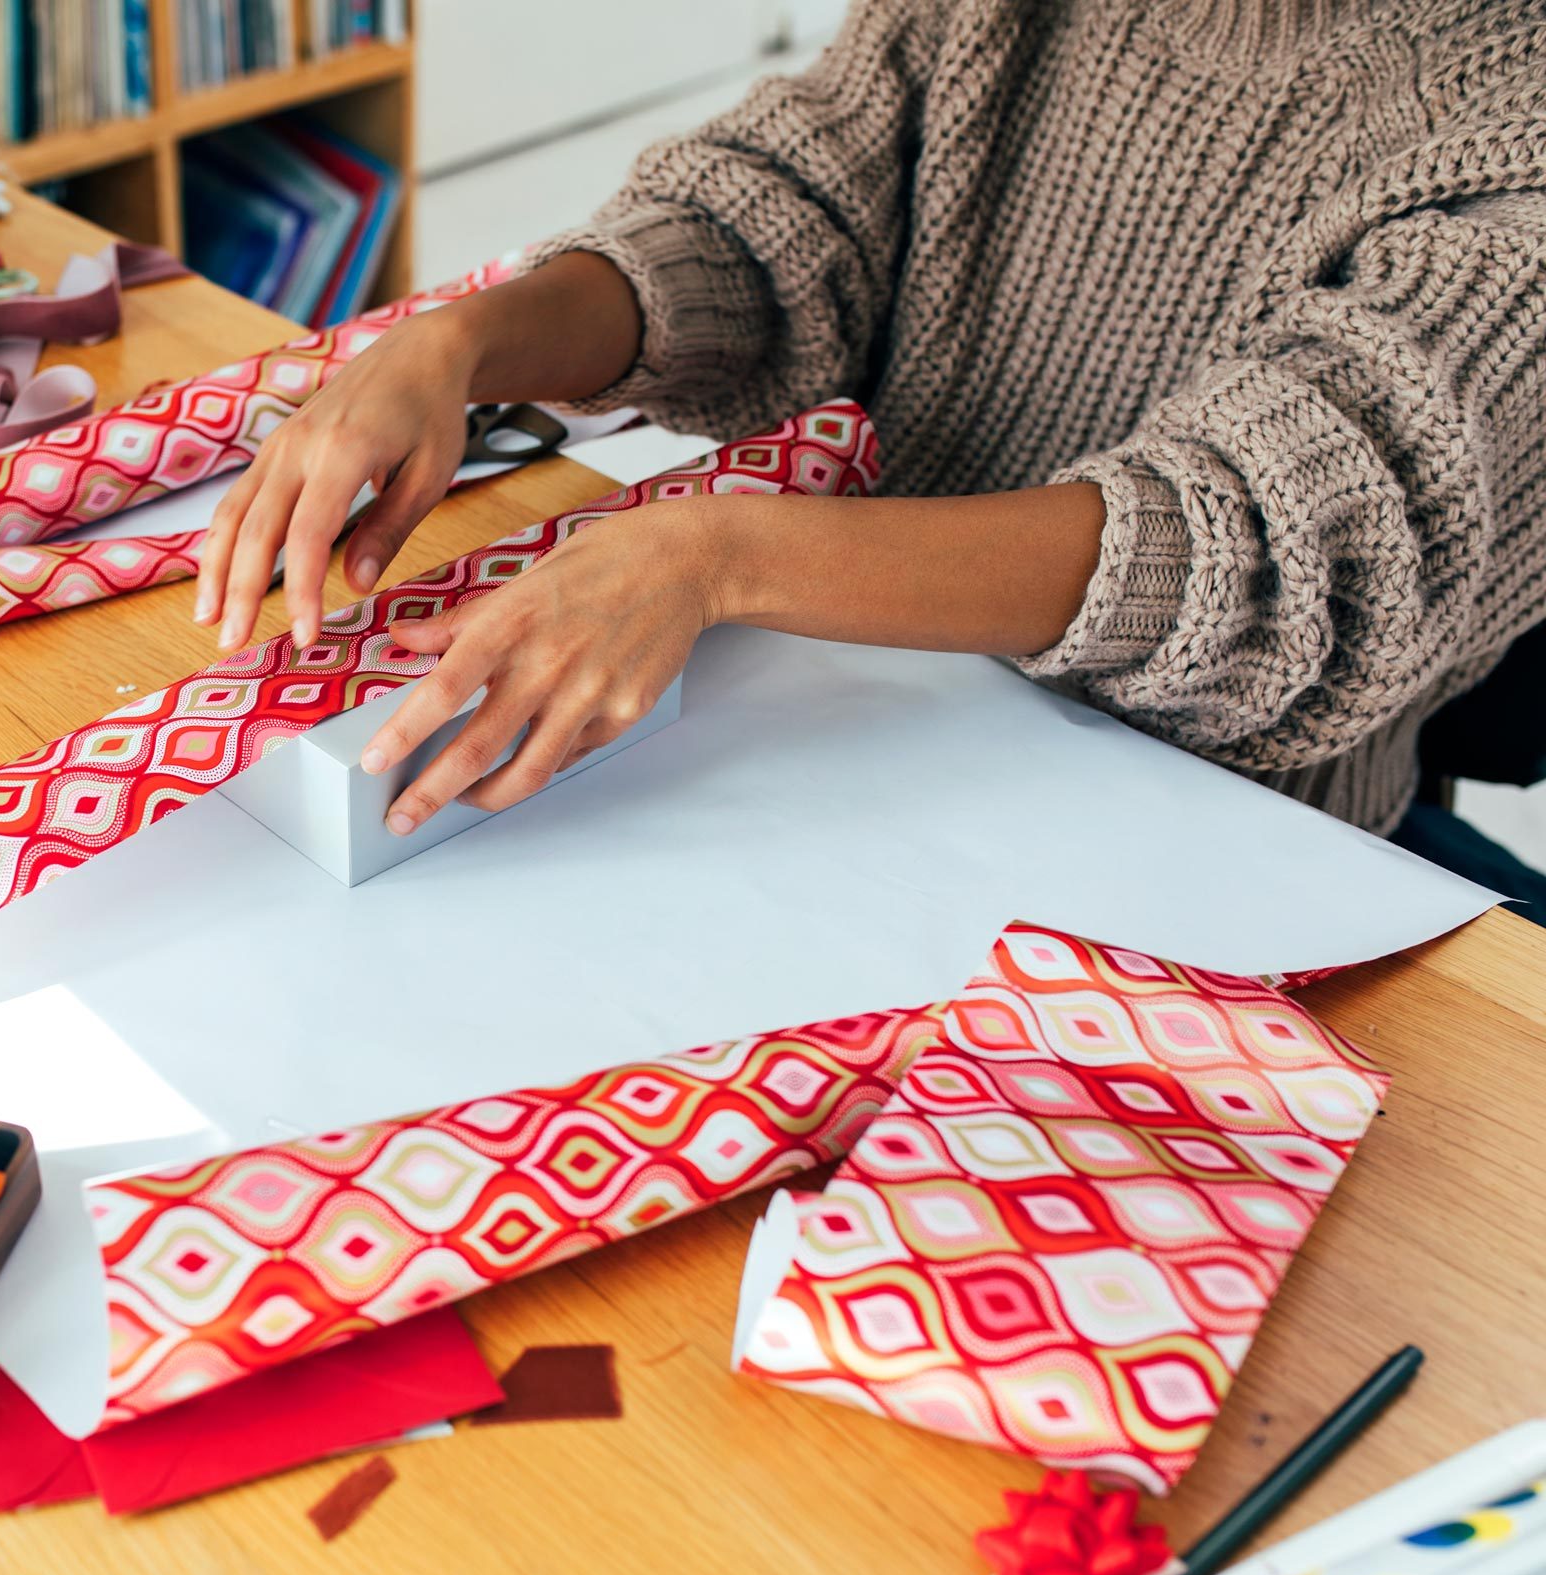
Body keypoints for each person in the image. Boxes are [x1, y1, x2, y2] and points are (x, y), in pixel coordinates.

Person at [192, 0, 1546, 900]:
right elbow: (780, 216)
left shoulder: (1510, 118)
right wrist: (466, 344)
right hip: (867, 734)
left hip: (1214, 864)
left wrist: (716, 555)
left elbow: (1264, 560)